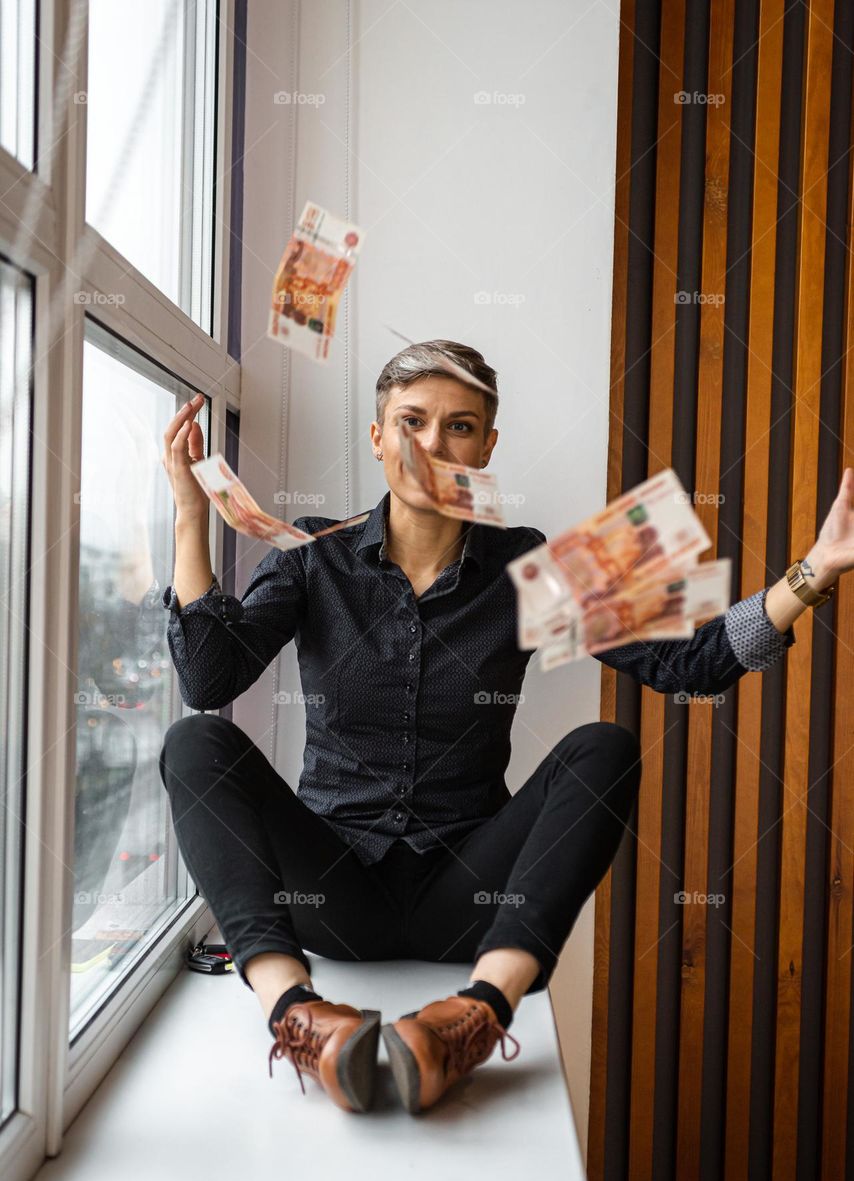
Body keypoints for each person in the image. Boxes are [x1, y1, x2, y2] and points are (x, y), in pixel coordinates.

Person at [157, 344, 852, 1115]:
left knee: (605, 747)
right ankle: (298, 1018)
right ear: (378, 438)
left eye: (459, 427)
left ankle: (478, 1018)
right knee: (195, 744)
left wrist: (814, 572)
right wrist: (190, 515)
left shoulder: (528, 564)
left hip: (468, 897)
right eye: (411, 422)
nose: (432, 444)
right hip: (335, 898)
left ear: (486, 448)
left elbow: (688, 663)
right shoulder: (314, 558)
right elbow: (209, 681)